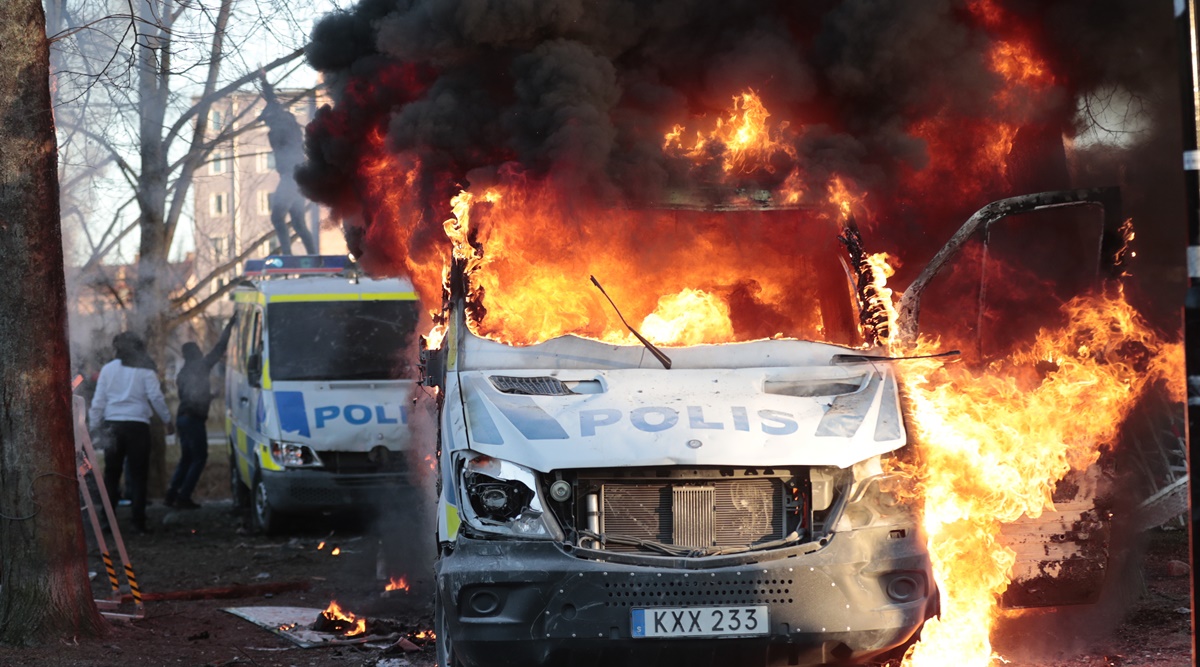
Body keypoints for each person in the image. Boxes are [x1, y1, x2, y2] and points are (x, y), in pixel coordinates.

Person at [89, 332, 173, 534]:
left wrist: (93, 426)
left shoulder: (108, 370)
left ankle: (108, 520)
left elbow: (98, 400)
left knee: (112, 474)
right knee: (138, 475)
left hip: (113, 426)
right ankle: (138, 521)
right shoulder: (145, 370)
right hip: (137, 426)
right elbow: (156, 397)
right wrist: (168, 420)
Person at [166, 316, 236, 509]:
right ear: (196, 354)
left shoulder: (182, 374)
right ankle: (184, 497)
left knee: (186, 458)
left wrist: (211, 396)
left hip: (182, 418)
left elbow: (191, 397)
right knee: (199, 458)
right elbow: (219, 348)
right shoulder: (201, 366)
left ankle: (171, 495)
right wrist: (229, 325)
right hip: (194, 420)